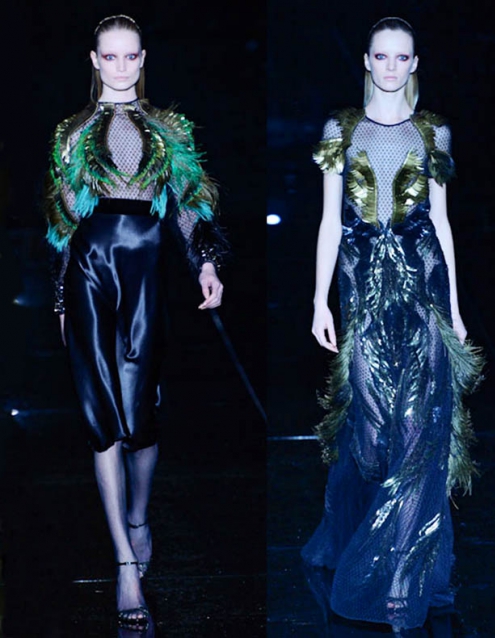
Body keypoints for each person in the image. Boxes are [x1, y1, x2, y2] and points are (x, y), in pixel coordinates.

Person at [43, 14, 225, 630]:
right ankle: (124, 560)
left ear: (143, 58)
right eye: (110, 56)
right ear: (94, 61)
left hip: (145, 276)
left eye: (130, 56)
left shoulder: (167, 128)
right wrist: (61, 302)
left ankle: (140, 516)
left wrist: (206, 263)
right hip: (90, 275)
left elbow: (190, 202)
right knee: (101, 421)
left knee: (139, 418)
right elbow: (63, 222)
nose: (120, 66)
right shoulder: (72, 133)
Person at [301, 16, 483, 631]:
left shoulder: (433, 132)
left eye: (401, 57)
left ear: (414, 64)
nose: (390, 67)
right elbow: (330, 221)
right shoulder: (342, 130)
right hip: (362, 292)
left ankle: (404, 573)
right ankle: (361, 535)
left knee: (417, 430)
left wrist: (455, 308)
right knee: (372, 433)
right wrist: (319, 301)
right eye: (381, 56)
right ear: (366, 60)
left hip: (423, 290)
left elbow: (442, 221)